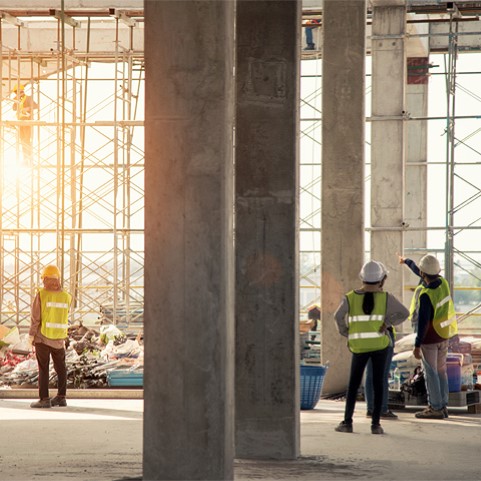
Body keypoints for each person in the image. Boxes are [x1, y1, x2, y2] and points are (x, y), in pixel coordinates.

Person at [334, 260, 409, 434]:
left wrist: (347, 332)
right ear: (382, 279)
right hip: (380, 345)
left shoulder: (350, 297)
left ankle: (347, 422)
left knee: (353, 384)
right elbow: (404, 313)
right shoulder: (386, 298)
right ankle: (376, 425)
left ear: (362, 277)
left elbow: (338, 317)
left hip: (358, 346)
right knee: (378, 382)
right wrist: (387, 323)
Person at [399, 253, 458, 419]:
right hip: (443, 336)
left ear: (424, 274)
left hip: (429, 340)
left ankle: (435, 407)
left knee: (430, 373)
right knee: (441, 371)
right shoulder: (443, 283)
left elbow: (423, 323)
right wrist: (406, 262)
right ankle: (443, 405)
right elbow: (422, 272)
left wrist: (417, 345)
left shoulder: (425, 295)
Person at [29, 265, 72, 408]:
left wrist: (31, 335)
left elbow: (36, 317)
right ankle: (61, 397)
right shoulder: (66, 296)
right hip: (59, 338)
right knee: (61, 368)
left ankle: (44, 399)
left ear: (46, 279)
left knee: (43, 368)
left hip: (43, 337)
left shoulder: (42, 294)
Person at [12, 83, 38, 163]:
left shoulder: (28, 98)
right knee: (23, 141)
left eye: (19, 92)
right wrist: (16, 100)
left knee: (27, 140)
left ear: (22, 91)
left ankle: (29, 158)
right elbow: (14, 108)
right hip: (20, 122)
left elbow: (36, 106)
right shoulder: (17, 99)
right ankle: (25, 159)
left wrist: (28, 108)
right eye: (16, 93)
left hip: (27, 122)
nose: (17, 94)